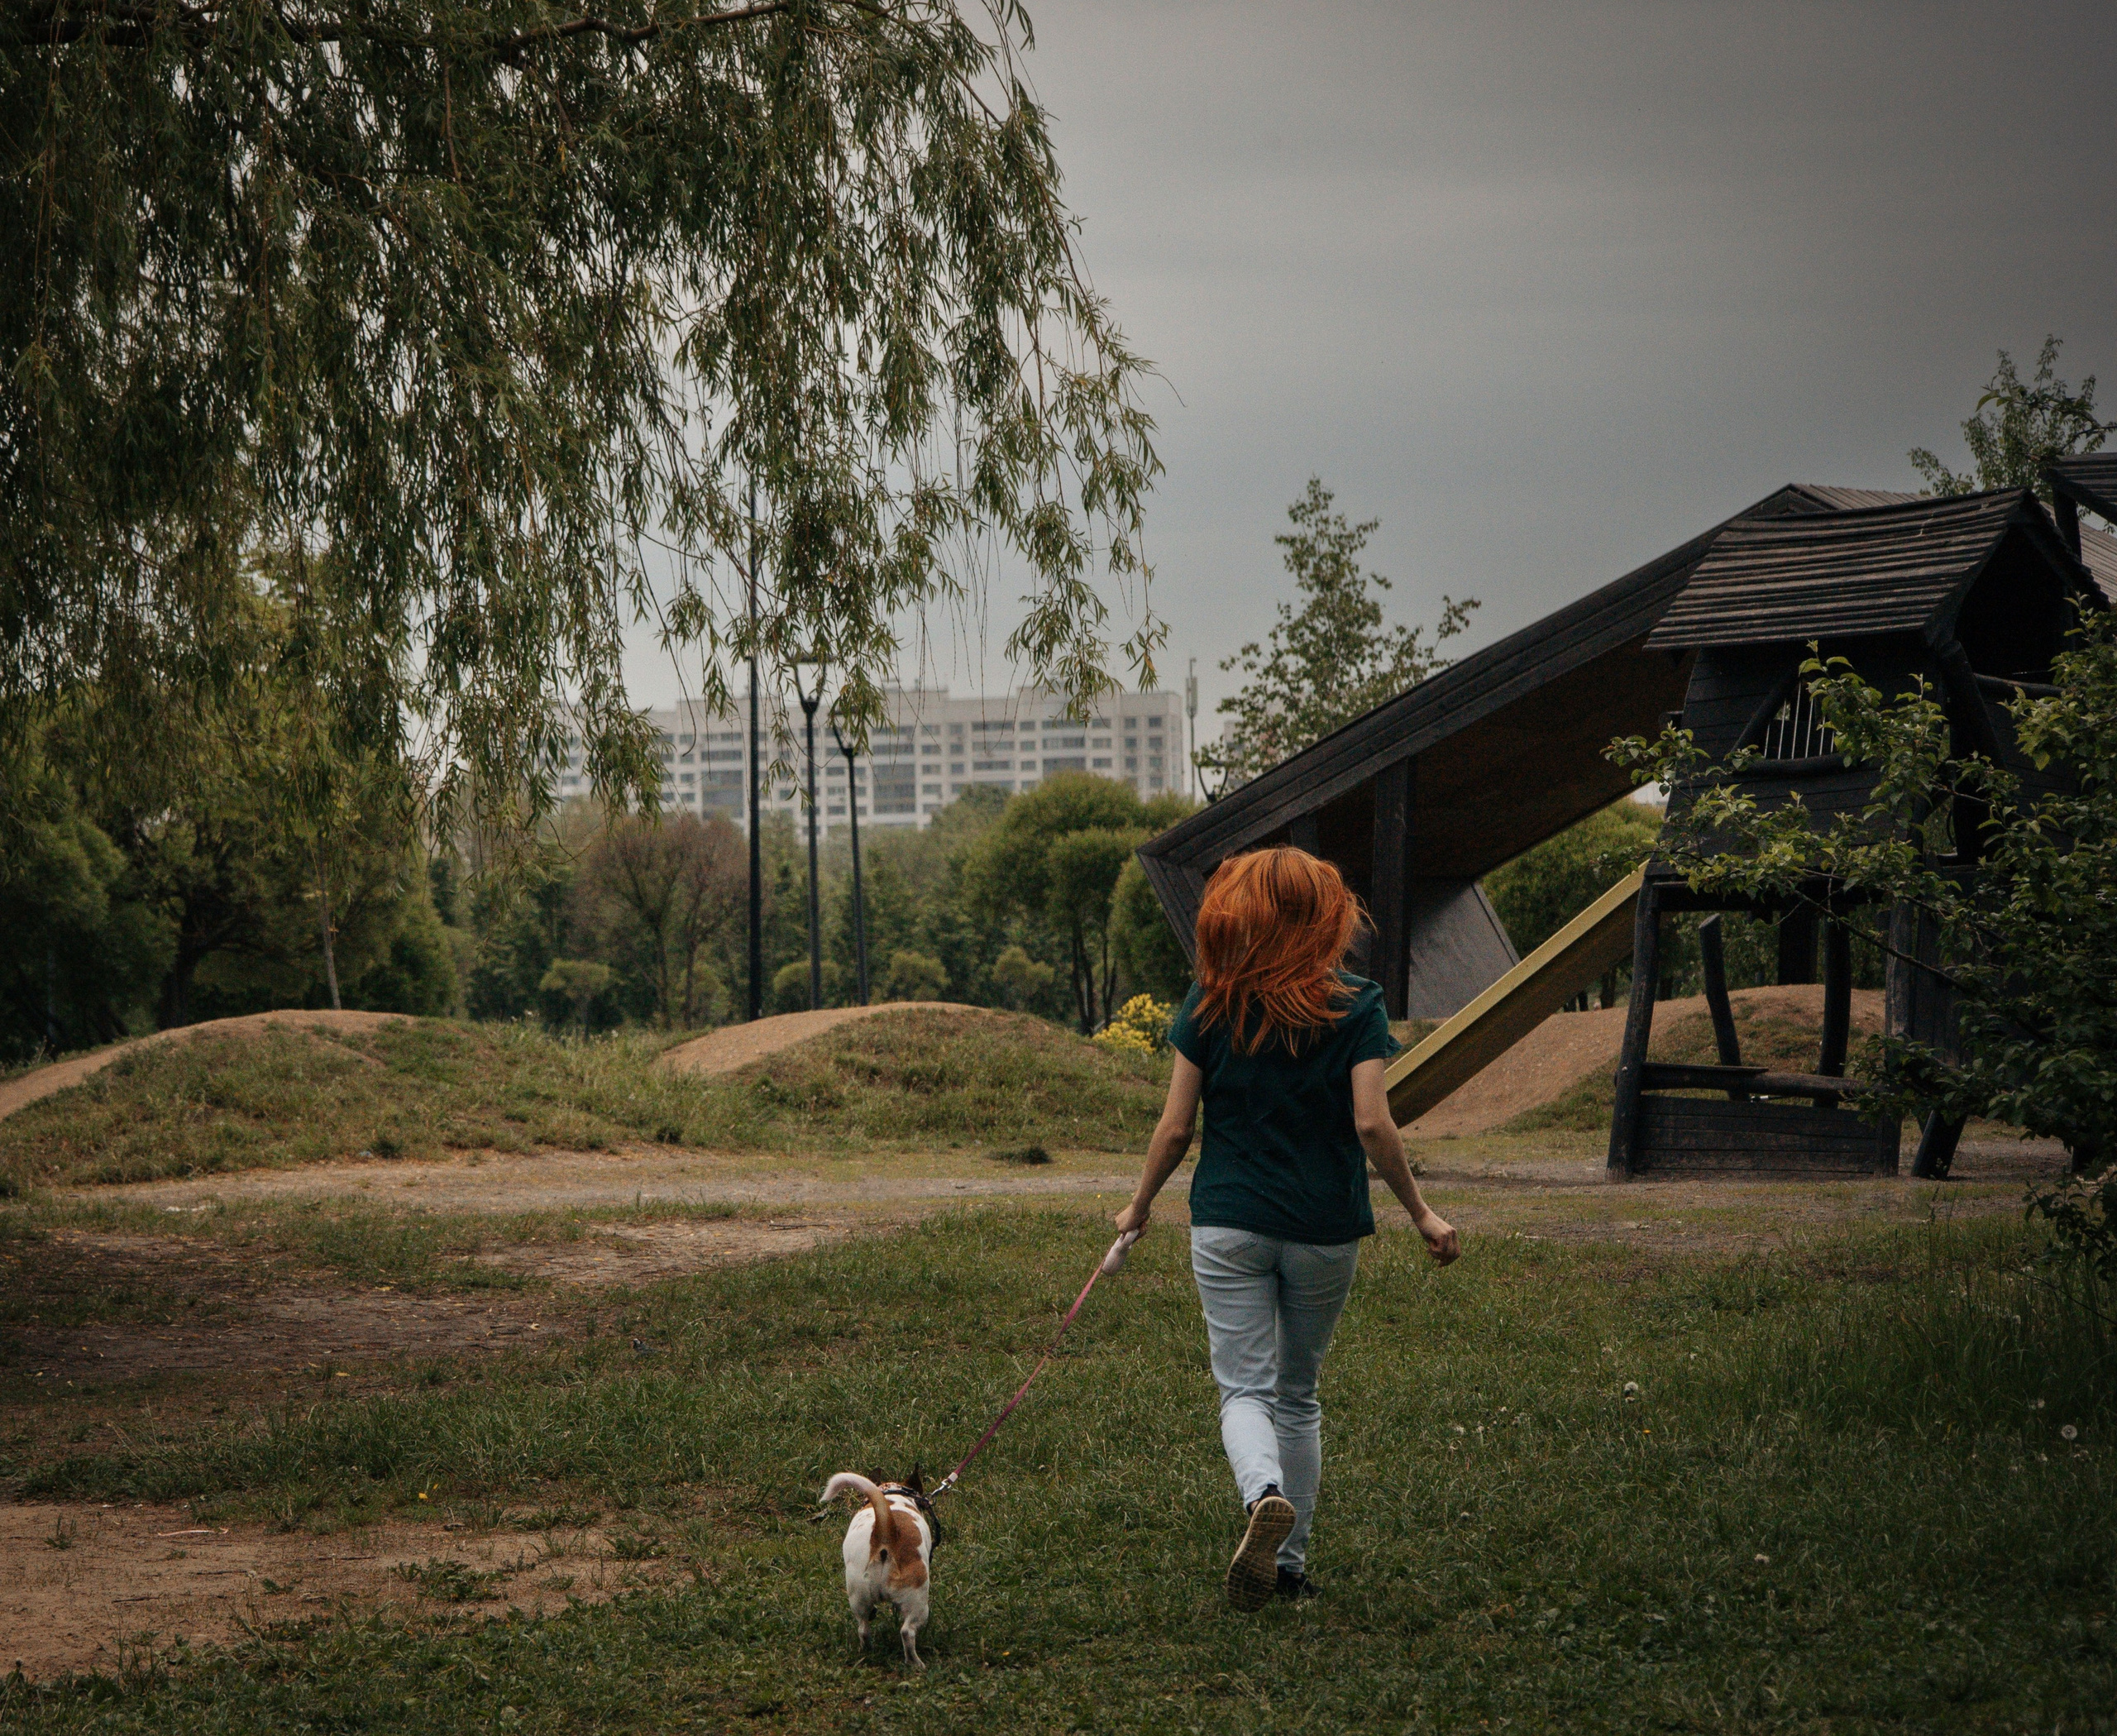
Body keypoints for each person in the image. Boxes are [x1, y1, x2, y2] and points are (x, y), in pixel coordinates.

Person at [1113, 846, 1460, 1609]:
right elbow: (1373, 1123)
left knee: (1243, 1388)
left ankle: (1260, 1491)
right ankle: (1291, 1567)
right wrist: (1422, 1213)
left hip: (1229, 1222)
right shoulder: (1359, 1003)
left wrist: (1138, 1207)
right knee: (1297, 1395)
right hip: (1324, 1226)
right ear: (1324, 918)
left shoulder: (1211, 999)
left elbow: (1174, 1130)